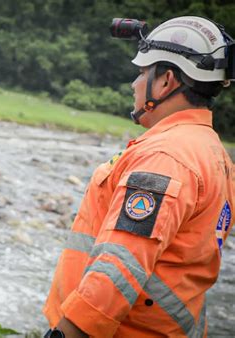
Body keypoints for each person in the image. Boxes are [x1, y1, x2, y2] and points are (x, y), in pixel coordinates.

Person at [43, 16, 234, 338]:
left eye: (143, 72)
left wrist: (66, 333)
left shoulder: (167, 156)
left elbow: (119, 265)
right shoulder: (212, 151)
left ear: (165, 81)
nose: (134, 83)